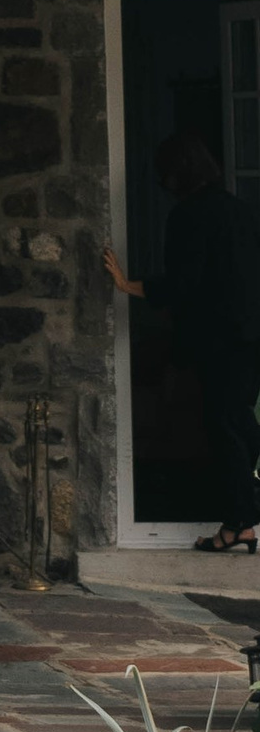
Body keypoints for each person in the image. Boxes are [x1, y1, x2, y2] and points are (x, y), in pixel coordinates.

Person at [103, 132, 260, 550]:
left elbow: (182, 284)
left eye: (164, 176)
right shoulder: (239, 211)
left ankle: (239, 522)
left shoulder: (189, 216)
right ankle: (242, 519)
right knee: (240, 422)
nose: (162, 185)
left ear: (177, 175)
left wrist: (126, 285)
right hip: (250, 335)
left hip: (219, 340)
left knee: (224, 427)